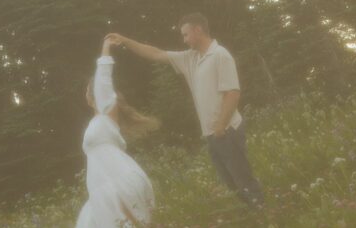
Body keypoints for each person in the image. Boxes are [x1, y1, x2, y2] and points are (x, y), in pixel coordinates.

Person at [108, 13, 264, 209]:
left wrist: (221, 126)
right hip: (213, 134)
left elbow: (232, 93)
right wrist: (124, 40)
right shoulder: (191, 58)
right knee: (231, 183)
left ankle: (264, 214)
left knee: (243, 180)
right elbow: (155, 53)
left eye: (185, 34)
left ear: (198, 30)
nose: (184, 39)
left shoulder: (220, 55)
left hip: (227, 131)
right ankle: (254, 216)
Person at [57, 36, 160, 228]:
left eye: (89, 90)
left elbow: (103, 79)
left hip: (115, 180)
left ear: (94, 94)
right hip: (102, 185)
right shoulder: (100, 120)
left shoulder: (106, 112)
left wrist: (105, 48)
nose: (87, 93)